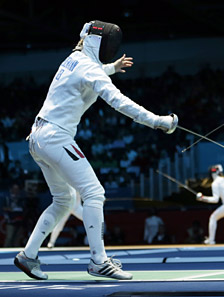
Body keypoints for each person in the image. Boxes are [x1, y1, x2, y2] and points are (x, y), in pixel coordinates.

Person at [15, 20, 178, 281]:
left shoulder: (72, 60)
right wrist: (157, 121)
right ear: (100, 42)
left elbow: (91, 73)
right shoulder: (90, 69)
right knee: (94, 193)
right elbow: (118, 101)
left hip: (37, 136)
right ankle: (98, 261)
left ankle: (28, 255)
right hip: (56, 137)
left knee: (64, 200)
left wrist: (111, 68)